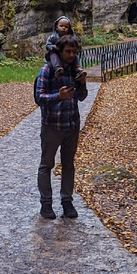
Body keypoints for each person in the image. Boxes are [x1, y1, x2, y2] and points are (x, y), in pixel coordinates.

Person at [33, 34, 88, 220]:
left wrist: (82, 84)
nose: (71, 55)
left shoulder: (76, 70)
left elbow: (82, 97)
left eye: (74, 52)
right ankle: (46, 204)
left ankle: (67, 202)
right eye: (68, 51)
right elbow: (39, 98)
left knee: (68, 165)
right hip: (52, 125)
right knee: (46, 164)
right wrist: (58, 96)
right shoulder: (47, 70)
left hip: (72, 124)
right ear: (59, 51)